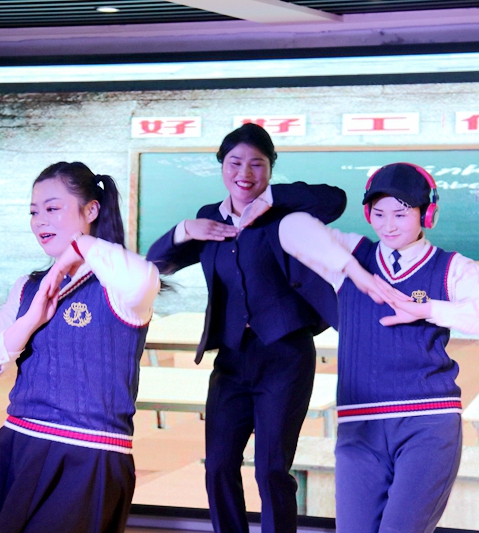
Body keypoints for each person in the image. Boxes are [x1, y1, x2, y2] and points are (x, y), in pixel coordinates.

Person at [278, 162, 479, 533]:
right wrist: (355, 272)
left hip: (428, 423)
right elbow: (290, 227)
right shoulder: (350, 255)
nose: (388, 225)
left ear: (427, 213)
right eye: (379, 214)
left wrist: (428, 309)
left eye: (401, 214)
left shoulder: (453, 268)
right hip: (359, 426)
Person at [145, 123, 347, 533]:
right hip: (233, 359)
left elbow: (335, 199)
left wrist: (270, 200)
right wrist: (185, 230)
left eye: (258, 164)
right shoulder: (208, 218)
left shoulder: (288, 213)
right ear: (222, 166)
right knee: (219, 465)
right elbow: (156, 264)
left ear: (271, 168)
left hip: (285, 357)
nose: (245, 173)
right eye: (235, 162)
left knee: (271, 470)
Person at [0, 161, 160, 533]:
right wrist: (30, 320)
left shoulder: (119, 286)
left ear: (91, 210)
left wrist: (77, 248)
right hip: (19, 445)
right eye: (34, 212)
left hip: (89, 457)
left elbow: (144, 280)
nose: (40, 221)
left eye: (52, 208)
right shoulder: (28, 287)